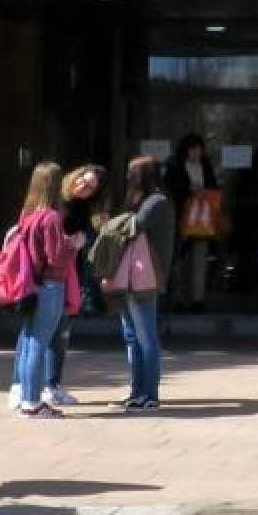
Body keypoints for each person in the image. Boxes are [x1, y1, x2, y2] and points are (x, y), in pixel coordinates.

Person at [7, 164, 109, 410]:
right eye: (84, 180)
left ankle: (25, 394)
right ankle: (31, 399)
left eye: (92, 186)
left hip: (34, 282)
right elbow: (57, 256)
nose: (84, 186)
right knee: (40, 340)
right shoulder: (52, 217)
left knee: (33, 338)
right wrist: (75, 245)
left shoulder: (32, 213)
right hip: (51, 283)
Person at [110, 156, 175, 412]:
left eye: (132, 174)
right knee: (132, 337)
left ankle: (150, 394)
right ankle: (137, 391)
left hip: (144, 278)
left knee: (145, 337)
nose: (128, 179)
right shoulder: (144, 201)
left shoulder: (156, 202)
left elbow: (131, 227)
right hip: (131, 277)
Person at [164, 133, 218, 313]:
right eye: (193, 149)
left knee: (200, 259)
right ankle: (179, 299)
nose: (197, 152)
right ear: (185, 150)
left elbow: (214, 189)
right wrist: (189, 190)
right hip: (181, 218)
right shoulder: (176, 168)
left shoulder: (206, 167)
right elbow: (170, 189)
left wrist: (205, 192)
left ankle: (197, 299)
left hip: (202, 220)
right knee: (179, 260)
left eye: (199, 149)